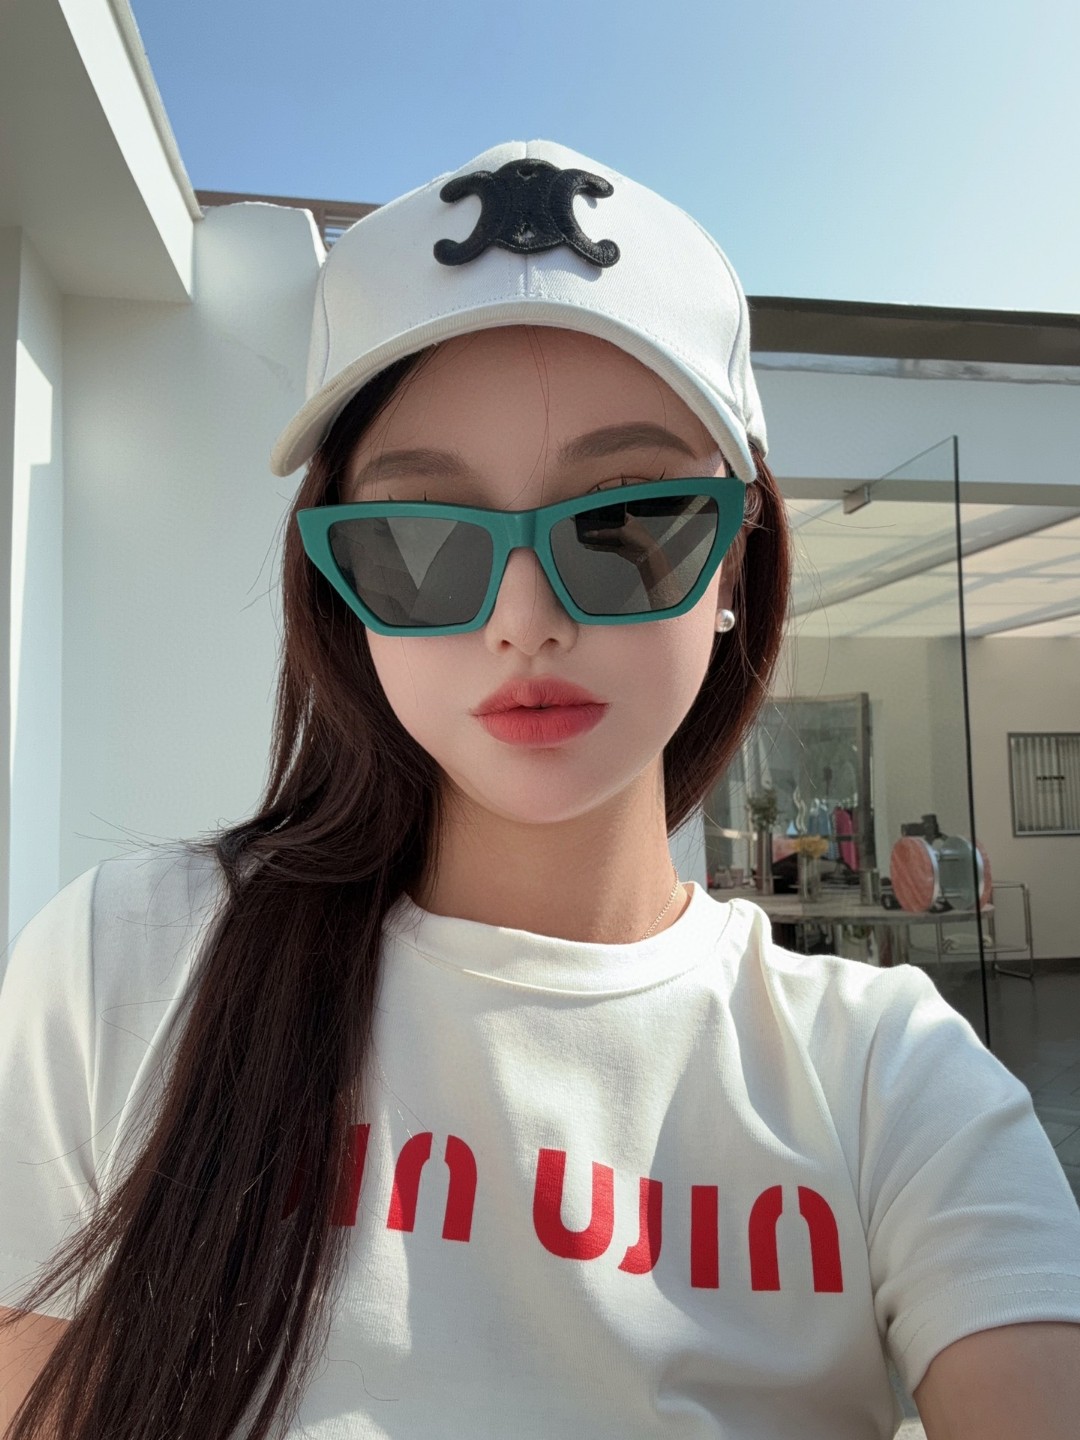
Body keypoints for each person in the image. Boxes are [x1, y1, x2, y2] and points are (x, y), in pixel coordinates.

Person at [1, 139, 1079, 1440]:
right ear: (341, 592)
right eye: (418, 537)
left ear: (735, 562)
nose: (523, 619)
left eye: (624, 522)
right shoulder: (130, 965)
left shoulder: (888, 1079)